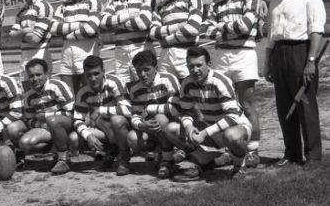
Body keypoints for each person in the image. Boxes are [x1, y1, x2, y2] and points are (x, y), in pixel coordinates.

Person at [263, 0, 326, 168]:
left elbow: (316, 31)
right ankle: (292, 153)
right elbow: (271, 36)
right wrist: (267, 63)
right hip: (279, 54)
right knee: (284, 107)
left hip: (301, 52)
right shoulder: (275, 1)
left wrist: (311, 61)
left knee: (305, 105)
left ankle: (313, 156)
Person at [201, 0, 261, 168]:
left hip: (243, 54)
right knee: (225, 105)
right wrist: (228, 29)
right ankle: (230, 151)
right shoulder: (215, 4)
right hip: (221, 56)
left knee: (247, 104)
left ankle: (253, 150)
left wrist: (221, 29)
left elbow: (245, 26)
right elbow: (206, 31)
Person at [165, 46, 252, 182]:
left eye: (199, 65)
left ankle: (239, 165)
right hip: (210, 126)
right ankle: (205, 161)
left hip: (235, 126)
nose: (195, 70)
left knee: (233, 136)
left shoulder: (220, 81)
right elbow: (186, 112)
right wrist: (189, 127)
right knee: (171, 129)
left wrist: (204, 133)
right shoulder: (186, 84)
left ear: (209, 64)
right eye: (191, 66)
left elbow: (233, 117)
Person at [48, 56, 131, 176]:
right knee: (74, 139)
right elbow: (77, 119)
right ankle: (112, 150)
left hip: (122, 125)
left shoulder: (115, 82)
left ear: (103, 72)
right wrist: (88, 136)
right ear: (85, 75)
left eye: (96, 74)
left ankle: (124, 158)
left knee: (116, 120)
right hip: (102, 126)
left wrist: (100, 110)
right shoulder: (83, 91)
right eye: (89, 75)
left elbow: (128, 109)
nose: (93, 78)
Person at [126, 50, 181, 178]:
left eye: (146, 70)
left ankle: (167, 160)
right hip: (153, 127)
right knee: (132, 138)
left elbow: (175, 109)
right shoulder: (135, 89)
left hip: (174, 125)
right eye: (138, 71)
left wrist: (150, 108)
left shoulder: (168, 79)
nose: (142, 74)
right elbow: (135, 115)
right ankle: (162, 153)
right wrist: (142, 125)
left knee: (160, 119)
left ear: (156, 68)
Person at [49, 0, 101, 96]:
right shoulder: (62, 6)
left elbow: (90, 29)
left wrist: (67, 34)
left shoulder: (93, 2)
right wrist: (80, 25)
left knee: (89, 98)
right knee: (68, 98)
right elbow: (53, 29)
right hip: (67, 58)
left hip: (87, 55)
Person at [100, 0, 153, 84]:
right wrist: (129, 16)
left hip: (141, 48)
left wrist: (116, 23)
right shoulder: (114, 0)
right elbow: (103, 22)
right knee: (122, 87)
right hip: (120, 53)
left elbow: (143, 23)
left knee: (144, 86)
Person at [150, 0, 203, 80]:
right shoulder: (159, 6)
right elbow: (153, 33)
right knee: (167, 89)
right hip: (165, 56)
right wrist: (180, 26)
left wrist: (166, 40)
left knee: (190, 87)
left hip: (186, 53)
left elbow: (192, 29)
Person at [19, 58, 74, 157]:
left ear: (46, 74)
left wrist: (46, 116)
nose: (35, 79)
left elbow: (73, 113)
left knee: (52, 121)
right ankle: (50, 150)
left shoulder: (57, 86)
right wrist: (42, 125)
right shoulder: (28, 95)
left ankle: (63, 154)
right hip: (44, 127)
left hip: (63, 125)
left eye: (38, 74)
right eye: (31, 76)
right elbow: (29, 120)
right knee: (24, 143)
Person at [9, 0, 54, 89]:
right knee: (27, 95)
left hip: (40, 55)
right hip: (24, 57)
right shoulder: (21, 11)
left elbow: (35, 38)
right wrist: (27, 30)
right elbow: (12, 37)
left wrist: (20, 33)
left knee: (44, 94)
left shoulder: (44, 6)